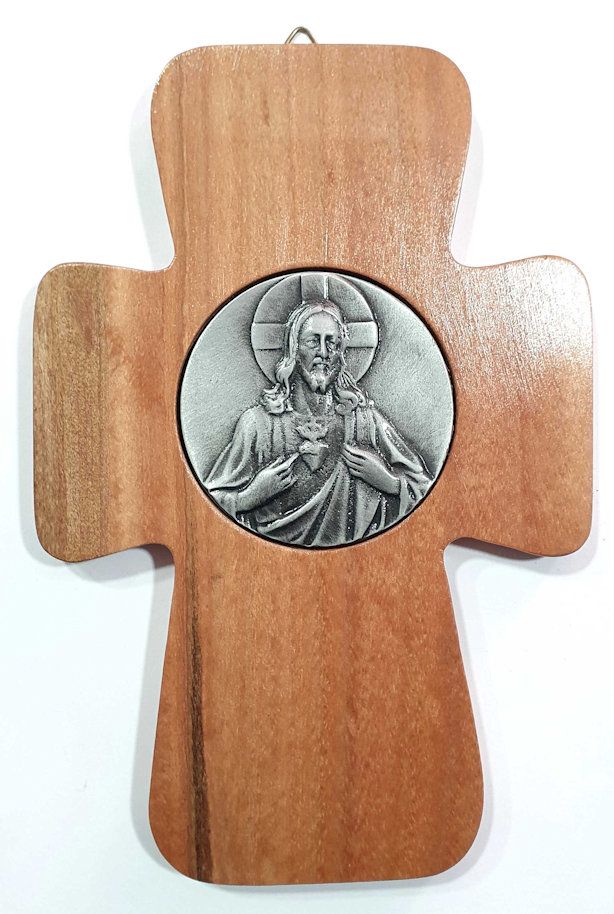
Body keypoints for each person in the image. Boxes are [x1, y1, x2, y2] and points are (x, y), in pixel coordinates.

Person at [204, 299, 432, 546]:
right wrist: (248, 498)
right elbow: (208, 504)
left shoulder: (365, 423)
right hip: (264, 558)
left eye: (331, 342)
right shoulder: (259, 425)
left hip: (361, 560)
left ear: (341, 352)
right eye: (313, 341)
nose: (323, 353)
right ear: (294, 349)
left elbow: (425, 490)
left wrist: (390, 483)